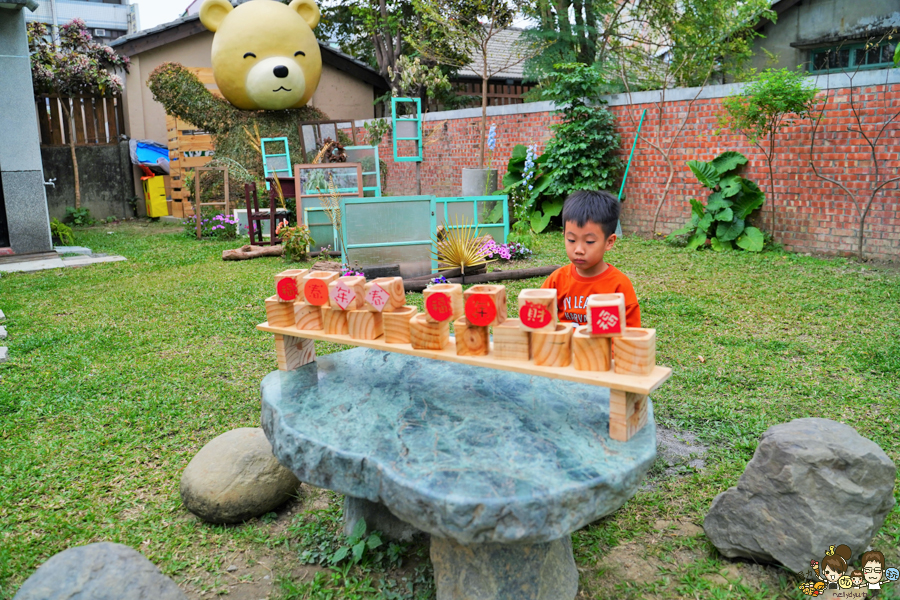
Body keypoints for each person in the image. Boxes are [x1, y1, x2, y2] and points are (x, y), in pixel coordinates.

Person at [541, 190, 640, 327]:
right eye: (571, 240)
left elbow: (631, 335)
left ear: (609, 242)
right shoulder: (557, 280)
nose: (579, 250)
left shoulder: (619, 286)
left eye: (589, 242)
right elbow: (538, 317)